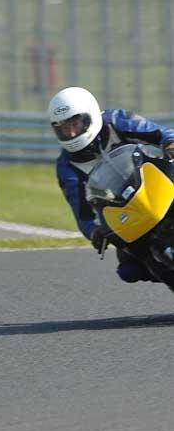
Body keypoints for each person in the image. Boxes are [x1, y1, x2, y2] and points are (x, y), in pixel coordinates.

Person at [47, 86, 174, 283]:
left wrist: (170, 144)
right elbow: (83, 214)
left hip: (160, 184)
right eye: (63, 129)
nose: (71, 133)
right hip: (128, 213)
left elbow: (161, 133)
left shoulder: (116, 120)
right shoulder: (67, 166)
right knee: (130, 270)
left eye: (75, 123)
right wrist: (95, 232)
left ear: (90, 115)